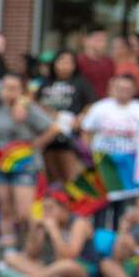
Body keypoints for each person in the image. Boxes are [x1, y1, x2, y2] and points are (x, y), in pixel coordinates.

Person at [0, 73, 58, 245]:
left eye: (13, 88)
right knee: (5, 207)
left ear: (21, 90)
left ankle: (29, 247)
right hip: (0, 164)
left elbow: (53, 129)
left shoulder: (27, 107)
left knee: (24, 211)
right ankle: (7, 247)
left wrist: (36, 144)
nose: (8, 92)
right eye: (5, 88)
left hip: (25, 165)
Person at [0, 189, 100, 277]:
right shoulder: (49, 222)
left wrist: (54, 231)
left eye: (50, 208)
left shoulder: (79, 223)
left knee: (66, 265)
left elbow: (69, 256)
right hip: (53, 267)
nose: (46, 213)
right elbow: (31, 254)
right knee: (11, 257)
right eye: (44, 209)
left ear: (64, 208)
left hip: (82, 269)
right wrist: (35, 231)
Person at [81, 74, 139, 189]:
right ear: (113, 88)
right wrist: (88, 155)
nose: (123, 91)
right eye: (120, 88)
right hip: (104, 161)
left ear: (135, 90)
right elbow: (86, 131)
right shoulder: (99, 107)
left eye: (127, 88)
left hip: (132, 162)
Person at [35, 50, 95, 183]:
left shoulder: (80, 82)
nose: (65, 65)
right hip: (48, 134)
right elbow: (35, 102)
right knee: (50, 175)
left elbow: (90, 103)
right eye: (62, 61)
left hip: (70, 135)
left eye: (69, 62)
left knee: (70, 176)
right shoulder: (45, 82)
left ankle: (69, 202)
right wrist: (50, 113)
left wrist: (81, 117)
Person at [98, 190, 139, 277]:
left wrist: (135, 248)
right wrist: (123, 230)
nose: (134, 211)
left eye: (138, 207)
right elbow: (117, 257)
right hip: (138, 270)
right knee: (106, 264)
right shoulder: (138, 227)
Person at [76, 26, 115, 104]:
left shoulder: (109, 62)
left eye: (104, 40)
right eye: (98, 40)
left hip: (104, 105)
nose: (102, 43)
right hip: (83, 105)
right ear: (86, 40)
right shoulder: (78, 61)